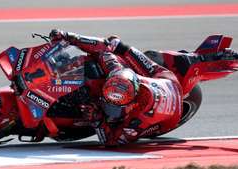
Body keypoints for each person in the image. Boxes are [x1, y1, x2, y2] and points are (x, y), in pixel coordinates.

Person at [49, 29, 183, 146]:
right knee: (117, 45)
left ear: (132, 103)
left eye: (113, 107)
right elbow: (103, 47)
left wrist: (97, 120)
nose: (105, 105)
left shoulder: (139, 118)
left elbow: (113, 141)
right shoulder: (115, 68)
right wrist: (68, 36)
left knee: (120, 128)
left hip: (171, 116)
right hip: (165, 81)